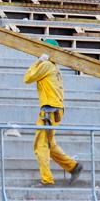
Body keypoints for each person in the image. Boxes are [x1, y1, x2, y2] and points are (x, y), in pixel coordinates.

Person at [24, 39, 83, 187]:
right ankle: (73, 166)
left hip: (49, 110)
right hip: (55, 109)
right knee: (50, 145)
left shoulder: (46, 65)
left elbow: (28, 78)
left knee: (41, 146)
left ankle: (47, 180)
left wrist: (37, 62)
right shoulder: (55, 68)